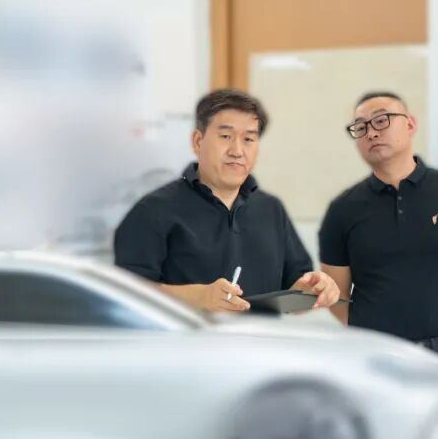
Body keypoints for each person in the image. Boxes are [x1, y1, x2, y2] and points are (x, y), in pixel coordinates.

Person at [319, 91, 438, 439]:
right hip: (374, 365)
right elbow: (335, 295)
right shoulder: (342, 210)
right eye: (360, 127)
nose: (371, 132)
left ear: (410, 125)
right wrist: (377, 337)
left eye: (382, 120)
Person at [114, 88, 339, 312]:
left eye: (248, 139)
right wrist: (196, 297)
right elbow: (123, 295)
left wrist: (313, 290)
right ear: (197, 141)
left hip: (262, 336)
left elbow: (296, 290)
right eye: (225, 137)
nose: (237, 151)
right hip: (188, 336)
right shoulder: (152, 210)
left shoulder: (271, 208)